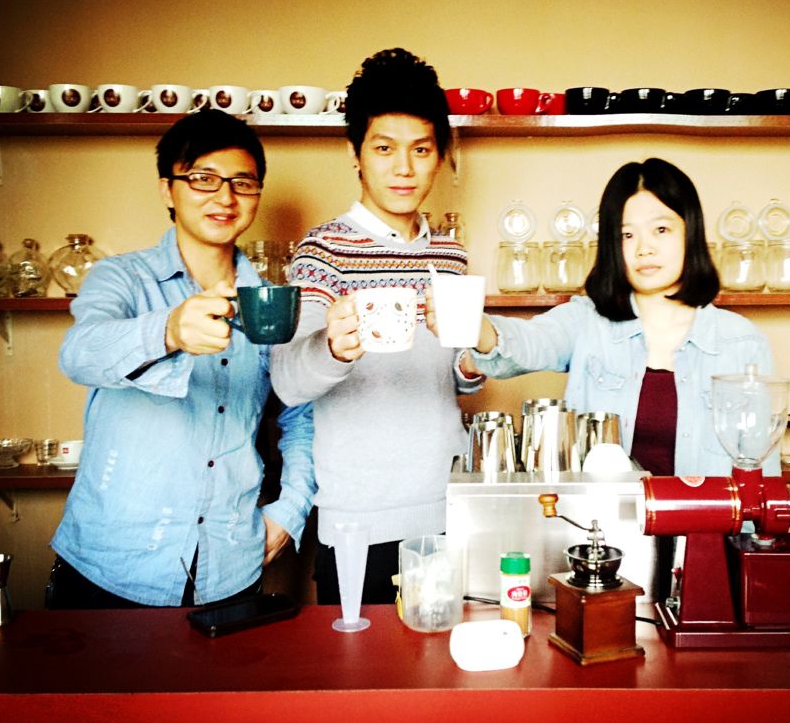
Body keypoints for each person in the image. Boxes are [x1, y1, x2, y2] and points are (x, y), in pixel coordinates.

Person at [47, 109, 315, 609]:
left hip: (230, 565)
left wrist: (290, 511)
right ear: (168, 190)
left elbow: (300, 414)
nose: (225, 197)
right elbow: (79, 354)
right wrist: (168, 331)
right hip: (113, 563)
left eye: (242, 183)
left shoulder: (269, 300)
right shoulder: (121, 278)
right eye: (203, 179)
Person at [271, 48, 483, 605]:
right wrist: (333, 348)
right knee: (359, 659)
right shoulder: (323, 250)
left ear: (441, 155)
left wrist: (470, 361)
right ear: (355, 154)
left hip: (449, 505)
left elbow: (456, 379)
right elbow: (288, 380)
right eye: (385, 148)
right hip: (357, 517)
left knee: (447, 655)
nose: (404, 168)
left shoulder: (450, 255)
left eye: (421, 149)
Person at [444, 157, 777, 479]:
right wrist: (477, 328)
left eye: (661, 229)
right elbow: (530, 342)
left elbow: (764, 470)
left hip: (709, 521)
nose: (644, 248)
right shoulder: (587, 321)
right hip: (603, 519)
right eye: (626, 235)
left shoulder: (742, 342)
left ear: (690, 232)